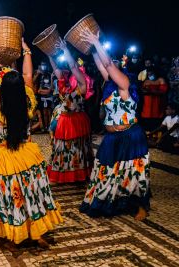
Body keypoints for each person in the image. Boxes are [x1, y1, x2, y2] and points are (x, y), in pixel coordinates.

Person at [0, 41, 62, 250]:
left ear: (1, 89)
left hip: (4, 158)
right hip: (27, 154)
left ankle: (12, 234)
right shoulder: (28, 101)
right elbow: (26, 76)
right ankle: (36, 232)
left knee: (8, 197)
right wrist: (26, 51)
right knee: (32, 193)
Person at [79, 29, 150, 221]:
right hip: (112, 137)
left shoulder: (125, 84)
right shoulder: (109, 84)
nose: (110, 68)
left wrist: (98, 42)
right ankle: (111, 201)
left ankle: (139, 205)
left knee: (134, 172)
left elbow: (108, 63)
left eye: (115, 68)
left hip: (131, 136)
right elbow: (101, 64)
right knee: (110, 170)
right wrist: (94, 46)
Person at [47, 39, 93, 184]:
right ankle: (65, 172)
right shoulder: (64, 83)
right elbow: (55, 69)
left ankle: (78, 174)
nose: (73, 70)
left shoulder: (82, 86)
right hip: (64, 119)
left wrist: (65, 50)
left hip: (77, 119)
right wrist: (49, 55)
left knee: (77, 148)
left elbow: (73, 66)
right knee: (62, 147)